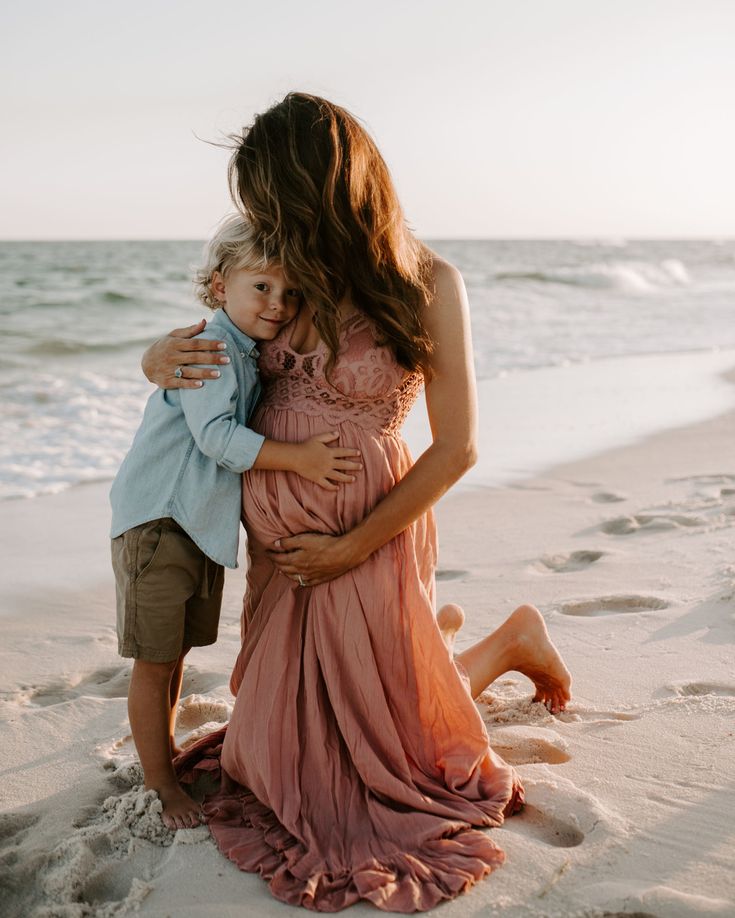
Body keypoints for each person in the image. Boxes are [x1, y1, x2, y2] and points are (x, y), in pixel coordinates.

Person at [142, 93, 572, 911]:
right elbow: (215, 344)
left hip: (366, 531)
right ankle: (432, 647)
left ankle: (505, 642)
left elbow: (457, 447)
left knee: (387, 758)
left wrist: (350, 546)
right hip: (280, 547)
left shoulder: (426, 281)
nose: (258, 213)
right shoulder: (283, 276)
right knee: (264, 763)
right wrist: (152, 358)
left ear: (318, 185)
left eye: (268, 194)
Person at [110, 215, 362, 831]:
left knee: (175, 656)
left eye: (290, 292)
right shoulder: (213, 349)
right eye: (262, 288)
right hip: (159, 521)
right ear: (221, 285)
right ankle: (163, 784)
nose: (277, 305)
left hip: (194, 527)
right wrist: (301, 458)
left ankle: (162, 758)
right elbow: (218, 438)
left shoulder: (246, 348)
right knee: (153, 661)